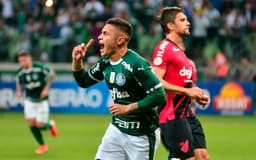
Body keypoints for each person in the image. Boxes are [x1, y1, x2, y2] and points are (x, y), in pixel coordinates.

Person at [72, 17, 166, 160]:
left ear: (120, 40)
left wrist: (127, 108)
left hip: (141, 135)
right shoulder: (104, 62)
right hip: (116, 130)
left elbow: (159, 95)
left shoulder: (137, 64)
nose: (99, 37)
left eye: (105, 33)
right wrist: (77, 61)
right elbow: (83, 81)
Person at [152, 7, 210, 160]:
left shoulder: (181, 52)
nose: (188, 23)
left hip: (187, 113)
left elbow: (185, 86)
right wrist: (187, 92)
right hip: (172, 114)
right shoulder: (164, 48)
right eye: (182, 20)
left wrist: (196, 95)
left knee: (202, 156)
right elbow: (155, 81)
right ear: (170, 25)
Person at [16, 51, 58, 154]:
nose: (22, 64)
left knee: (40, 125)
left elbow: (52, 74)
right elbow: (19, 82)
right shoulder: (20, 72)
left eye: (24, 61)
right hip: (29, 100)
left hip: (42, 100)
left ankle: (50, 125)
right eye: (20, 61)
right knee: (31, 123)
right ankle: (42, 145)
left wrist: (46, 89)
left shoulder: (38, 67)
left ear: (29, 59)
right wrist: (19, 91)